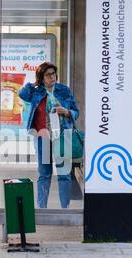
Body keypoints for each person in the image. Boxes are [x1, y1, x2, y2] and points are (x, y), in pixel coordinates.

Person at [18, 62, 79, 209]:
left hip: (63, 137)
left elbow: (76, 113)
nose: (52, 77)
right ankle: (42, 209)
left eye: (53, 74)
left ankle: (65, 209)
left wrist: (66, 111)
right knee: (44, 173)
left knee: (64, 174)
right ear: (41, 77)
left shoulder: (64, 90)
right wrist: (35, 83)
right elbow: (22, 93)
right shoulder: (36, 92)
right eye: (48, 74)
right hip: (43, 137)